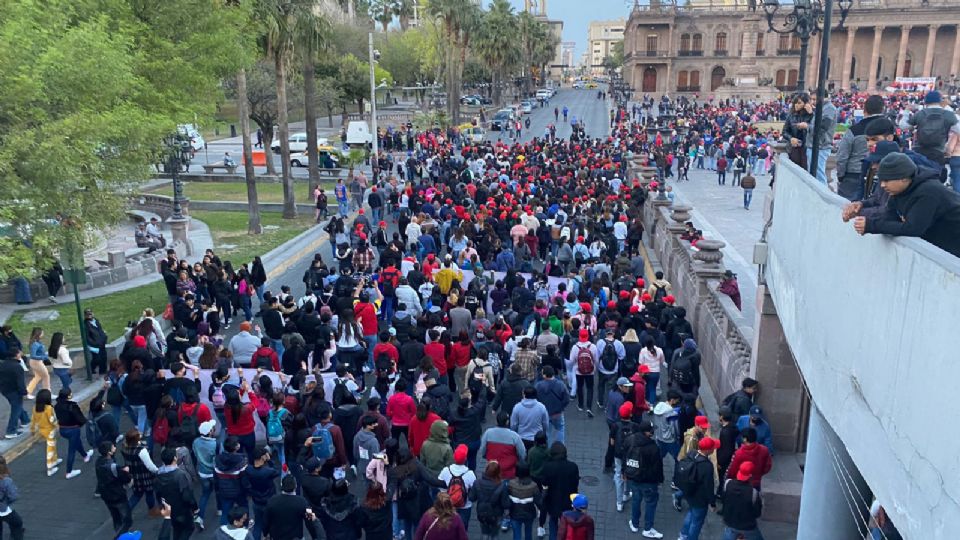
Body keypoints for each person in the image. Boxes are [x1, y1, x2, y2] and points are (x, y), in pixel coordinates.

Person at [852, 152, 960, 257]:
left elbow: (912, 229)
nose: (882, 185)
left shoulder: (928, 192)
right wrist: (861, 210)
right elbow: (889, 215)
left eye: (887, 180)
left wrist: (872, 225)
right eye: (881, 180)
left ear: (903, 178)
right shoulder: (899, 191)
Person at [623, 420, 664, 539]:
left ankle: (634, 523)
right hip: (649, 482)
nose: (652, 433)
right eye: (651, 431)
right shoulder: (653, 448)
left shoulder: (630, 439)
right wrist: (660, 480)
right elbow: (658, 467)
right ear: (647, 432)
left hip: (633, 478)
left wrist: (624, 472)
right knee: (651, 504)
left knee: (636, 500)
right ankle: (648, 528)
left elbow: (624, 455)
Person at [677, 438, 720, 540]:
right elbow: (709, 486)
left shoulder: (692, 453)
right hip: (700, 499)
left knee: (691, 514)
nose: (714, 449)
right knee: (696, 522)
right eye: (712, 448)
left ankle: (683, 535)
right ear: (707, 450)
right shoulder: (707, 466)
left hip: (689, 492)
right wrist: (712, 503)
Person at [155, 447, 199, 540]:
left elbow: (157, 492)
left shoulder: (159, 473)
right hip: (181, 509)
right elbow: (186, 495)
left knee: (177, 528)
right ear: (175, 458)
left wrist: (161, 505)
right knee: (188, 528)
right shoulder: (179, 475)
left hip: (169, 509)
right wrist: (194, 507)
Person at [908, 90, 959, 166]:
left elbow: (903, 126)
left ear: (926, 101)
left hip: (920, 151)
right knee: (936, 174)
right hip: (938, 152)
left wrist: (906, 111)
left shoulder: (920, 113)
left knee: (920, 174)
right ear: (940, 101)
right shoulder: (948, 114)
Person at [541, 442, 580, 540]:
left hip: (552, 502)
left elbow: (544, 483)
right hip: (568, 502)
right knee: (566, 526)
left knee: (553, 523)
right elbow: (575, 484)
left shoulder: (548, 467)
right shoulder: (573, 467)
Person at [262, 475, 321, 540]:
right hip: (295, 537)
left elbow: (266, 520)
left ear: (282, 486)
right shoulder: (302, 502)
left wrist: (265, 533)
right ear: (295, 486)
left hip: (277, 537)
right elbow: (309, 520)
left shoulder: (272, 501)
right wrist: (314, 536)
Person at [96, 440, 134, 538]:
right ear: (109, 452)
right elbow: (125, 478)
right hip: (118, 495)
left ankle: (121, 534)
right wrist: (126, 472)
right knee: (127, 520)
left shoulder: (98, 462)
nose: (115, 448)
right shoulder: (113, 466)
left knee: (116, 517)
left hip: (106, 495)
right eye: (113, 447)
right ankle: (119, 537)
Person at [121, 428, 161, 518]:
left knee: (136, 495)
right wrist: (158, 471)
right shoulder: (141, 451)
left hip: (134, 475)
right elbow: (149, 465)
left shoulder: (124, 447)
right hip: (145, 476)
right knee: (149, 493)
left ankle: (126, 511)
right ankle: (152, 511)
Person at [54, 387, 93, 479]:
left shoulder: (57, 406)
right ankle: (69, 471)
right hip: (73, 429)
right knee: (71, 450)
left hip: (62, 429)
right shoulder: (72, 406)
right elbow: (80, 418)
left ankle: (85, 455)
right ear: (68, 396)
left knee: (76, 442)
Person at [721, 462, 764, 540]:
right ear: (750, 476)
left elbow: (723, 500)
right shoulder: (753, 493)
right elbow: (757, 513)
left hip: (730, 522)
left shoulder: (727, 484)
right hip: (747, 527)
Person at [479, 411, 526, 480]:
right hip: (509, 473)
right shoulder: (515, 436)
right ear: (507, 422)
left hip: (492, 470)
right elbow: (522, 454)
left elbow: (482, 450)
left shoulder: (488, 433)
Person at [504, 462, 542, 540]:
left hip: (514, 513)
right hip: (529, 513)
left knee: (516, 534)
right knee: (528, 532)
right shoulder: (533, 485)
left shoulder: (511, 484)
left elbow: (506, 497)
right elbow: (539, 501)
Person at [534, 366, 570, 445]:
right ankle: (560, 447)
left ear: (544, 375)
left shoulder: (538, 385)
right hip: (557, 413)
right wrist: (561, 407)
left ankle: (548, 448)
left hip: (544, 414)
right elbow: (567, 399)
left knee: (547, 432)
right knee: (560, 428)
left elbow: (535, 398)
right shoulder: (560, 384)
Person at [28, 389, 60, 476]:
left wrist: (32, 430)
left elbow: (33, 420)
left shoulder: (35, 408)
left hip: (41, 430)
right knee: (50, 448)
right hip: (50, 430)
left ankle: (55, 460)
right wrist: (57, 426)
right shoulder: (49, 408)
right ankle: (50, 468)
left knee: (52, 446)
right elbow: (52, 420)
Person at [0, 349, 28, 440]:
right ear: (16, 355)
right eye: (20, 352)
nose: (21, 354)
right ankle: (11, 431)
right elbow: (20, 382)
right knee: (16, 409)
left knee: (17, 405)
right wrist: (24, 392)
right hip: (14, 390)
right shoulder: (17, 366)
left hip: (5, 390)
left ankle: (25, 420)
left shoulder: (3, 364)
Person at [25, 327, 50, 399]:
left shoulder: (36, 342)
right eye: (42, 332)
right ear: (38, 334)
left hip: (37, 362)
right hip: (36, 362)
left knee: (38, 377)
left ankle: (27, 392)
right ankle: (48, 393)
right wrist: (43, 357)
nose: (43, 334)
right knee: (46, 376)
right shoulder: (35, 344)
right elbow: (33, 355)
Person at [84, 308, 109, 375]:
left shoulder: (96, 321)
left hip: (101, 342)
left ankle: (103, 370)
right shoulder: (86, 324)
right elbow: (87, 336)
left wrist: (104, 337)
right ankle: (92, 368)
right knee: (97, 358)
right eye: (87, 313)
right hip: (94, 345)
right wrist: (93, 343)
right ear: (85, 315)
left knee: (104, 357)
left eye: (90, 313)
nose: (89, 314)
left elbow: (100, 330)